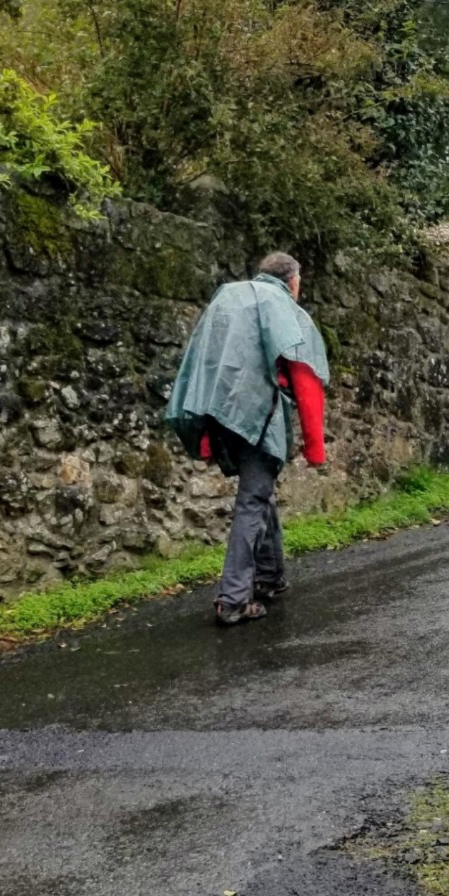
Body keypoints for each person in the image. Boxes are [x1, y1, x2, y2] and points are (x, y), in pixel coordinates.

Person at [165, 252, 330, 625]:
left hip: (220, 414)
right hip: (259, 417)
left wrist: (205, 429)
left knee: (260, 490)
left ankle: (270, 577)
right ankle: (233, 599)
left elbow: (203, 361)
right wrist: (314, 447)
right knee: (253, 500)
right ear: (293, 282)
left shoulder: (228, 297)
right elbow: (304, 379)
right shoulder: (285, 309)